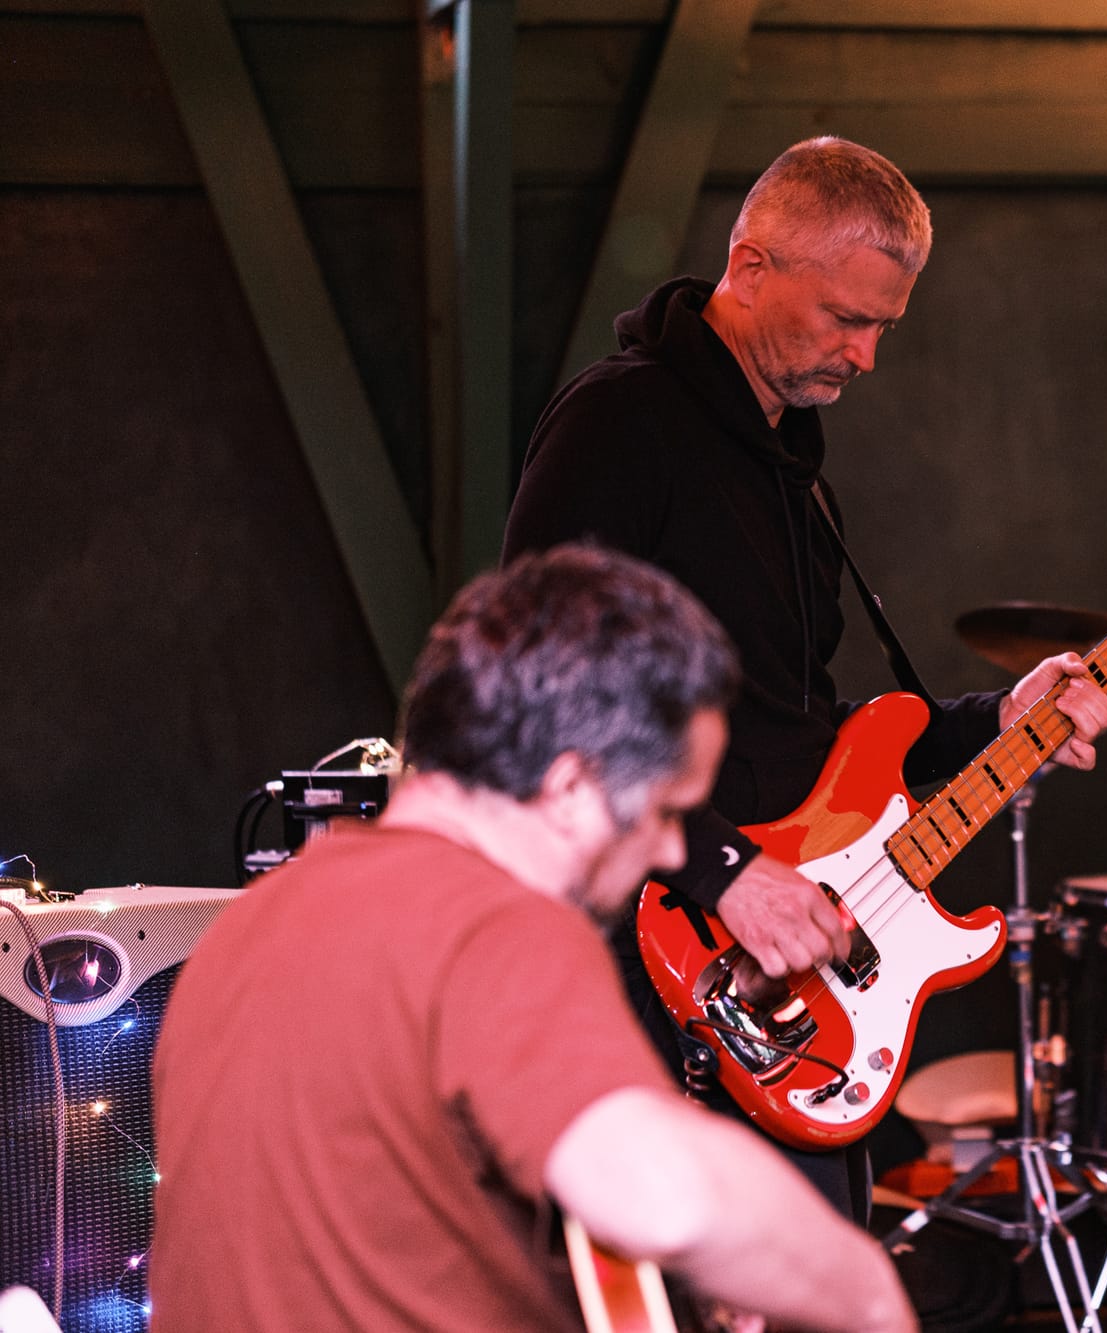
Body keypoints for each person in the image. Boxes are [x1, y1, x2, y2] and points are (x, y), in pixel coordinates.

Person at [502, 135, 1107, 1216]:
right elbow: (531, 686)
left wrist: (1001, 720)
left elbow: (808, 738)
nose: (865, 356)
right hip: (653, 959)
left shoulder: (790, 466)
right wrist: (723, 869)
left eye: (884, 327)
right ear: (750, 269)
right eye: (845, 318)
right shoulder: (622, 423)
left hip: (782, 976)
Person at [151, 546, 918, 1333]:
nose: (669, 850)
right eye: (665, 811)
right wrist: (868, 1292)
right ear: (571, 787)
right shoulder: (495, 923)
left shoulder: (246, 926)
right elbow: (669, 1198)